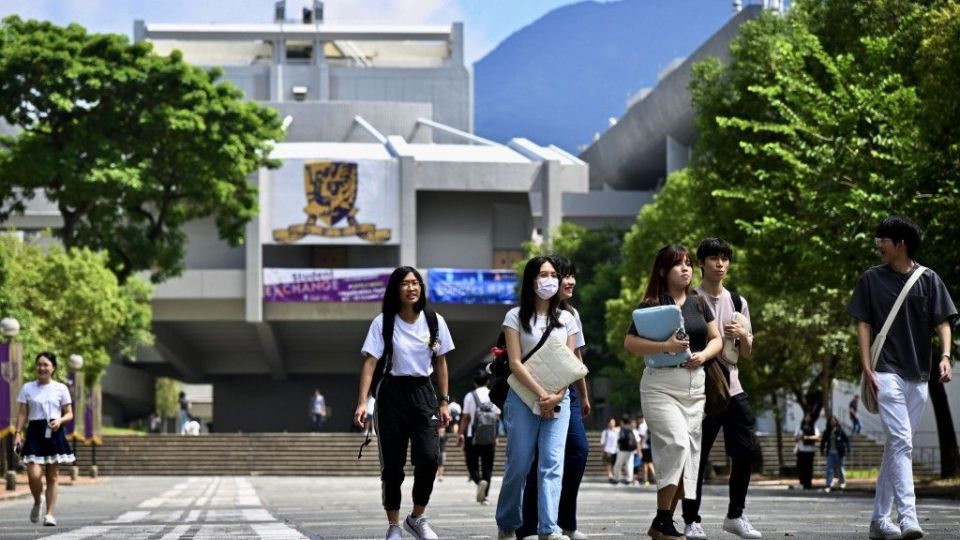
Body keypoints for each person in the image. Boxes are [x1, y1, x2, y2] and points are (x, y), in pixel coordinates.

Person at [847, 216, 956, 540]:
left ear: (901, 244)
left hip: (919, 375)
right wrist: (867, 367)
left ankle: (879, 520)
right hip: (885, 371)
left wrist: (946, 356)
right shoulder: (871, 279)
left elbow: (944, 322)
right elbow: (863, 324)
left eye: (883, 239)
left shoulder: (929, 279)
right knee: (903, 442)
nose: (877, 244)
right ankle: (908, 517)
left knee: (896, 445)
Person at [624, 244, 722, 540]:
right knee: (678, 445)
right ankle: (663, 520)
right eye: (679, 264)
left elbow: (715, 338)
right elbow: (630, 343)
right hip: (660, 386)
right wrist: (665, 347)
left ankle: (662, 521)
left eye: (689, 263)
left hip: (695, 387)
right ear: (664, 270)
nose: (687, 269)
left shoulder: (698, 302)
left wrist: (703, 356)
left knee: (687, 458)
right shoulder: (651, 303)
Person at [353, 266, 455, 540]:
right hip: (392, 394)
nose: (412, 288)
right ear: (395, 289)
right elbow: (370, 363)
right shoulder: (383, 322)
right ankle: (394, 525)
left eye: (416, 283)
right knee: (393, 465)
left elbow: (442, 362)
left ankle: (417, 517)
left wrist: (444, 402)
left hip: (424, 393)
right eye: (405, 283)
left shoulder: (434, 321)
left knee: (429, 457)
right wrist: (363, 402)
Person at [495, 256, 581, 540]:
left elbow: (570, 364)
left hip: (560, 399)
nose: (551, 280)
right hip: (522, 398)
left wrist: (555, 397)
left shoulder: (568, 319)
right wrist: (543, 395)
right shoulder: (514, 317)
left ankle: (549, 528)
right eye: (544, 274)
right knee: (519, 464)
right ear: (531, 280)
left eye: (554, 275)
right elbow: (515, 363)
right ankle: (508, 523)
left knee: (552, 463)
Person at [682, 237, 762, 540]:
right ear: (701, 263)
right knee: (696, 457)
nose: (720, 264)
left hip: (732, 386)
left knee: (744, 451)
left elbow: (747, 352)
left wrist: (743, 333)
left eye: (725, 258)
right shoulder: (690, 299)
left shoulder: (739, 302)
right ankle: (692, 520)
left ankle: (736, 516)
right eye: (714, 258)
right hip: (700, 389)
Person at [516, 254, 591, 540]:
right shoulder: (524, 315)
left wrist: (582, 394)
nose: (569, 281)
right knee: (541, 459)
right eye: (563, 275)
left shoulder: (571, 315)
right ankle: (530, 525)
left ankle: (565, 521)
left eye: (571, 275)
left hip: (565, 391)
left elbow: (576, 358)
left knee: (577, 451)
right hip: (530, 389)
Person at [13, 352, 75, 527]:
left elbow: (69, 413)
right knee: (33, 475)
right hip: (34, 433)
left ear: (53, 368)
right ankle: (37, 501)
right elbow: (23, 413)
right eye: (39, 365)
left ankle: (50, 514)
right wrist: (17, 433)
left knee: (52, 477)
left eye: (46, 365)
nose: (42, 368)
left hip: (54, 432)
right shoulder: (27, 388)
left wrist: (60, 421)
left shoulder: (61, 388)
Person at [459, 370, 501, 503]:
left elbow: (466, 417)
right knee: (487, 466)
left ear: (474, 382)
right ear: (487, 381)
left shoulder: (470, 396)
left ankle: (479, 482)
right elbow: (497, 417)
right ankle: (485, 496)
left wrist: (460, 433)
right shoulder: (492, 394)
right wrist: (496, 435)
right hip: (489, 437)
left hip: (473, 435)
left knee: (472, 465)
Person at [820, 415, 850, 493]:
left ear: (836, 422)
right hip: (830, 452)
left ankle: (842, 482)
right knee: (829, 469)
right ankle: (829, 485)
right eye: (831, 420)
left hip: (839, 452)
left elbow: (846, 440)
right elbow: (823, 441)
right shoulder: (827, 431)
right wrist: (822, 449)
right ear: (829, 422)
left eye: (834, 420)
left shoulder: (840, 431)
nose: (832, 422)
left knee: (840, 468)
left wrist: (848, 448)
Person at [794, 413, 819, 490]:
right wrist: (800, 437)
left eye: (809, 417)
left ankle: (808, 484)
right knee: (801, 468)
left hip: (810, 450)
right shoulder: (799, 427)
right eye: (806, 417)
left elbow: (817, 437)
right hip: (801, 450)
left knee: (809, 468)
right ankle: (802, 483)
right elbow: (795, 438)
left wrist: (807, 437)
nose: (807, 419)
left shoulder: (814, 427)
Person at [614, 415, 638, 486]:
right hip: (630, 449)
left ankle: (617, 478)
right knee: (629, 464)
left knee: (618, 464)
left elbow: (621, 438)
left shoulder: (623, 428)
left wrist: (618, 442)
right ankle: (629, 479)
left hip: (623, 449)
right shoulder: (631, 428)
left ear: (622, 421)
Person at [600, 418, 620, 484]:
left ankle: (614, 476)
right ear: (608, 423)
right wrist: (602, 451)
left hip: (616, 450)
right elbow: (602, 443)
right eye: (611, 422)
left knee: (615, 464)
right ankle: (610, 476)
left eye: (613, 422)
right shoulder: (605, 432)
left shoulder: (618, 430)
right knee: (609, 464)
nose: (612, 424)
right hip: (608, 450)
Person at [637, 414, 655, 486]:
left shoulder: (641, 426)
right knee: (650, 463)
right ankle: (655, 478)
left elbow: (640, 439)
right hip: (650, 447)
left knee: (645, 464)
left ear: (642, 418)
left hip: (644, 447)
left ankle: (645, 480)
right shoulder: (650, 424)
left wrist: (639, 449)